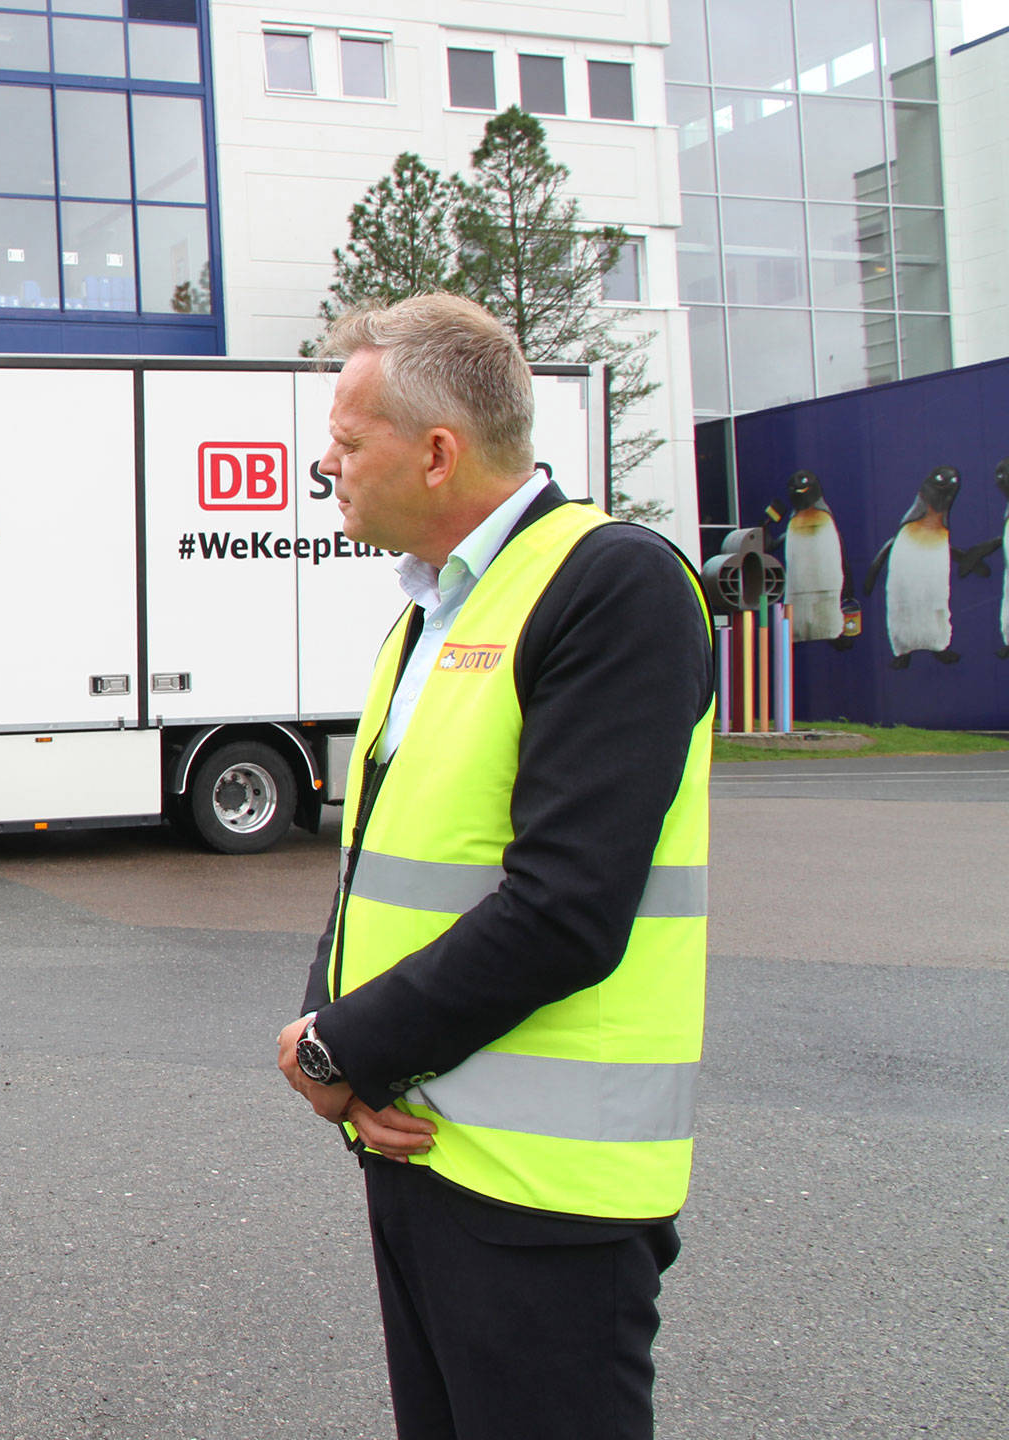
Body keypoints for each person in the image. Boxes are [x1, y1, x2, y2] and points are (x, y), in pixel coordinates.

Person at [275, 295, 714, 1440]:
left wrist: (340, 1046)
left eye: (347, 440)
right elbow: (380, 864)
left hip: (545, 1196)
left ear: (435, 452)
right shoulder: (428, 610)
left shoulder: (611, 586)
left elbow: (569, 905)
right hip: (420, 1151)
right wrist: (331, 1032)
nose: (326, 465)